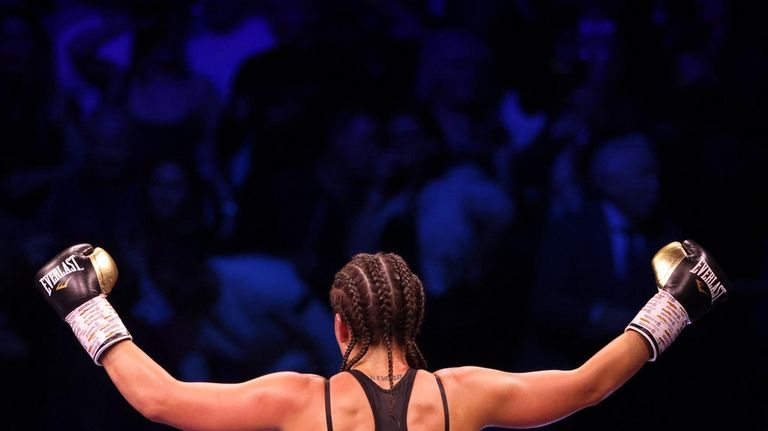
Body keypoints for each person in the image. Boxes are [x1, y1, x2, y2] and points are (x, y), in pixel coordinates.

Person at [33, 239, 727, 430]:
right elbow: (591, 383)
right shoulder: (464, 394)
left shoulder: (300, 400)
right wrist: (676, 302)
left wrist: (82, 305)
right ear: (414, 319)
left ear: (339, 326)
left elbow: (161, 398)